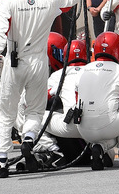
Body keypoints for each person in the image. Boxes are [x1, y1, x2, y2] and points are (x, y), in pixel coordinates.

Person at [0, 0, 80, 178]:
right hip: (38, 63)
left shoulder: (7, 2)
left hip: (14, 62)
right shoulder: (49, 1)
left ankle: (2, 161)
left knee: (5, 113)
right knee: (35, 110)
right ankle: (29, 138)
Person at [76, 32, 119, 170]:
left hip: (83, 129)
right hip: (110, 124)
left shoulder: (82, 70)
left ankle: (98, 147)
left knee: (103, 126)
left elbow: (77, 100)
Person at [33, 39, 90, 168]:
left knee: (33, 114)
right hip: (98, 127)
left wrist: (55, 91)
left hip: (72, 126)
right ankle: (115, 151)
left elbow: (40, 98)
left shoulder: (58, 75)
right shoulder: (96, 71)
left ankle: (53, 149)